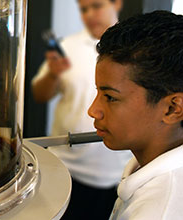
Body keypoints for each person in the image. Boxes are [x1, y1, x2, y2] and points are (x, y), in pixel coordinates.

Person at [32, 0, 132, 219]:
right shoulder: (67, 47)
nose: (89, 15)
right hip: (65, 166)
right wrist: (53, 74)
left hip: (114, 173)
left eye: (96, 6)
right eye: (83, 9)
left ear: (116, 3)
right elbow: (40, 94)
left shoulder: (136, 53)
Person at [88, 10, 183, 219]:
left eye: (110, 97)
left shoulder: (157, 212)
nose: (93, 110)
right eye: (98, 93)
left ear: (173, 108)